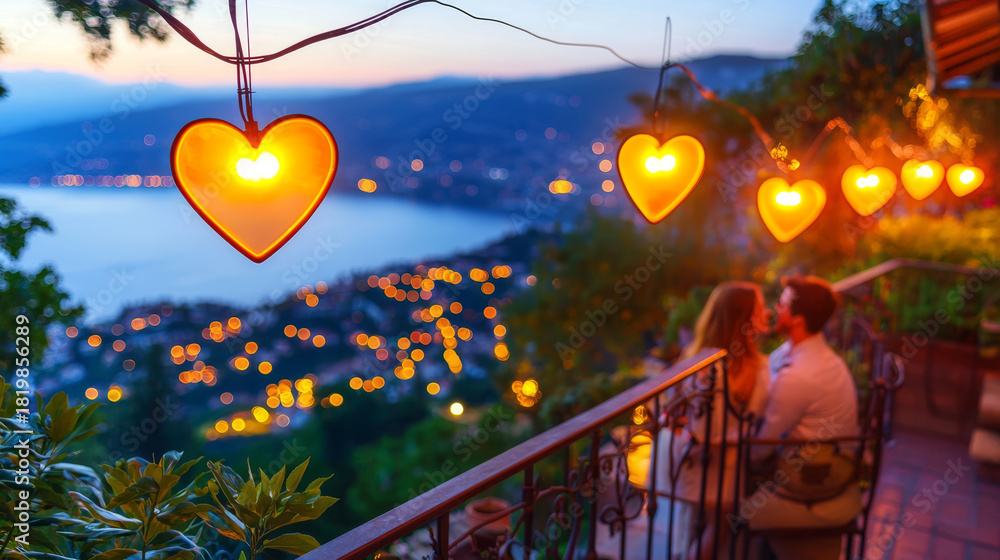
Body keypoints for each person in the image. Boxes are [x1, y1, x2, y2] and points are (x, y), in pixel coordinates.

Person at [646, 281, 772, 559]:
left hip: (692, 456)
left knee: (699, 526)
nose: (767, 313)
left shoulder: (697, 359)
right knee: (718, 526)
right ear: (744, 318)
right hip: (717, 461)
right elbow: (751, 419)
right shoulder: (751, 367)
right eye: (760, 309)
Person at [742, 275, 861, 560]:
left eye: (781, 305)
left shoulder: (799, 375)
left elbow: (759, 451)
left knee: (726, 505)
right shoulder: (812, 354)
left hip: (815, 481)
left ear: (797, 319)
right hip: (828, 464)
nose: (774, 310)